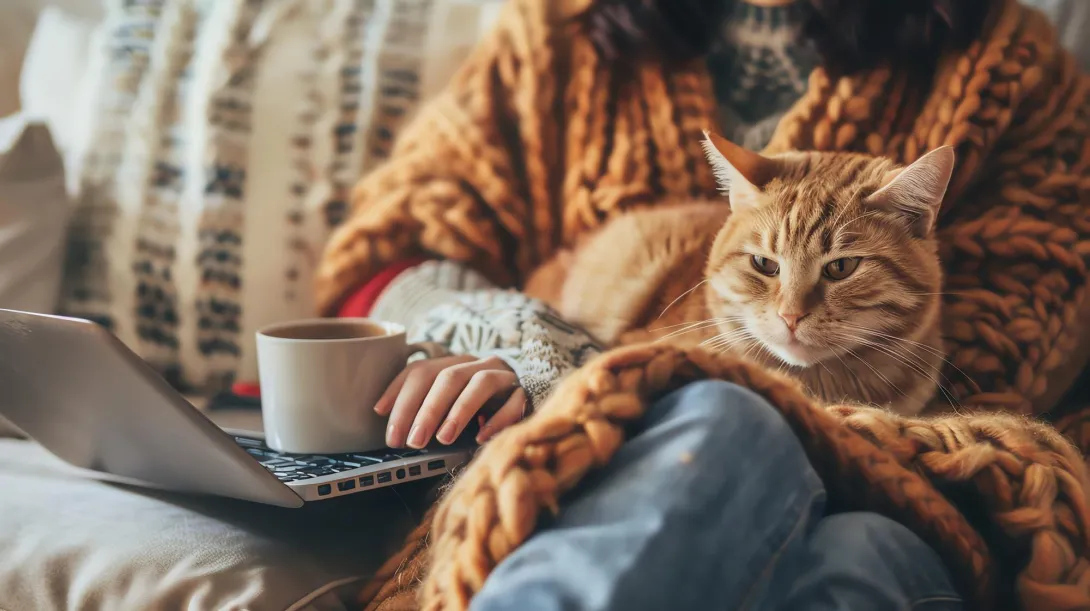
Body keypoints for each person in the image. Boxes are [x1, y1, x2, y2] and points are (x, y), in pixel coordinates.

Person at [314, 0, 1087, 606]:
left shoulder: (1007, 63)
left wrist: (752, 407)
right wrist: (518, 341)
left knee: (819, 505)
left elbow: (1006, 362)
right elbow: (392, 253)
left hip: (910, 479)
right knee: (782, 482)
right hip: (639, 441)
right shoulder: (550, 34)